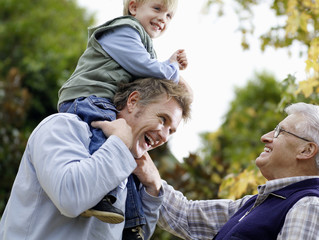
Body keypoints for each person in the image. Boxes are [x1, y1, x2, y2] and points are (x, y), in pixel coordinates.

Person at [0, 78, 192, 240]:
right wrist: (119, 143)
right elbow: (70, 197)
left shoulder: (130, 170)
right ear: (133, 101)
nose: (165, 137)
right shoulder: (63, 127)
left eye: (171, 131)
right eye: (162, 119)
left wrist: (152, 189)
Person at [57, 0, 188, 233]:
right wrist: (171, 68)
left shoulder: (142, 42)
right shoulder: (124, 30)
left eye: (169, 16)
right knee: (109, 137)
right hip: (90, 95)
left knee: (126, 156)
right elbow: (146, 68)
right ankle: (101, 194)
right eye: (157, 9)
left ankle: (132, 225)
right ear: (134, 7)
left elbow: (151, 81)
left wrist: (172, 72)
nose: (163, 18)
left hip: (103, 99)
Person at [151, 102, 319, 240]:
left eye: (279, 132)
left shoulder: (308, 206)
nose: (265, 137)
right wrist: (144, 169)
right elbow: (186, 215)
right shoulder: (256, 203)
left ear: (306, 150)